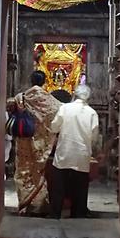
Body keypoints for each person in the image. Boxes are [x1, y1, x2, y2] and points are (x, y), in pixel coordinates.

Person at [8, 70, 61, 215]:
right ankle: (39, 206)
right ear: (44, 81)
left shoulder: (21, 97)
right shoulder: (50, 101)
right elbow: (60, 111)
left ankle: (24, 205)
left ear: (31, 81)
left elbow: (9, 105)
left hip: (24, 140)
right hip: (41, 142)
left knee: (23, 171)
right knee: (38, 171)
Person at [48, 84, 99, 218]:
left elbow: (54, 127)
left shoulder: (65, 108)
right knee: (80, 187)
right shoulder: (92, 112)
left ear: (74, 94)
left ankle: (55, 213)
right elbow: (94, 136)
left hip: (64, 151)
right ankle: (78, 213)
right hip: (82, 154)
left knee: (58, 186)